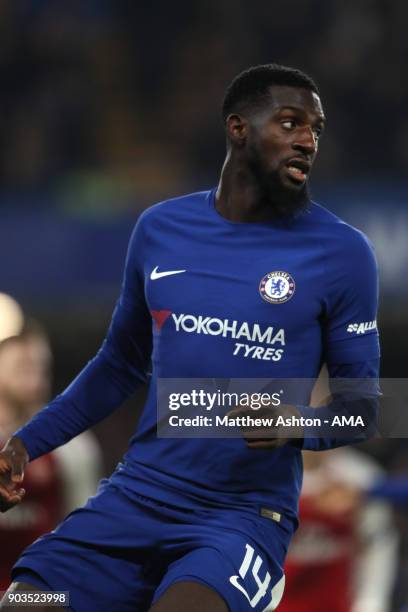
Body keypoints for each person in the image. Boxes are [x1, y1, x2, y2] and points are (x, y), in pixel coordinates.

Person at [0, 64, 380, 612]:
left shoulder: (343, 254)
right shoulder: (160, 229)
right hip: (136, 499)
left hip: (241, 521)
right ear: (238, 128)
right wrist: (24, 445)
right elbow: (119, 365)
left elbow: (364, 409)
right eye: (291, 123)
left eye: (316, 129)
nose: (307, 140)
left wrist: (295, 424)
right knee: (30, 604)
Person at [0, 326, 102, 591]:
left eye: (40, 365)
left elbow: (84, 532)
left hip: (41, 592)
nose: (34, 372)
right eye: (23, 364)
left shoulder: (73, 445)